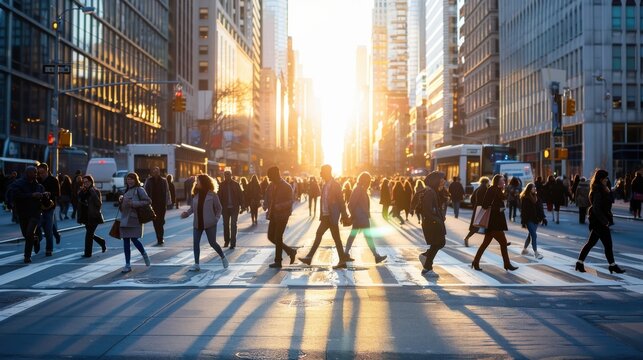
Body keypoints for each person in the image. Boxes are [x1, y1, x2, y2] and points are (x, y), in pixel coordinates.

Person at [298, 164, 351, 268]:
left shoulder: (335, 185)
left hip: (332, 216)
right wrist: (322, 215)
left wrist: (344, 215)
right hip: (326, 216)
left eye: (322, 171)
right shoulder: (325, 185)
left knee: (335, 238)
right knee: (323, 235)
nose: (320, 173)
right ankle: (310, 257)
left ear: (327, 172)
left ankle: (311, 257)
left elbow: (341, 201)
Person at [576, 169, 626, 274]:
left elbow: (608, 201)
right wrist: (604, 221)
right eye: (605, 178)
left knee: (591, 243)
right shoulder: (598, 190)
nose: (607, 180)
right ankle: (612, 266)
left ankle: (579, 263)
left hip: (598, 220)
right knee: (607, 244)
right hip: (599, 221)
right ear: (601, 179)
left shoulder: (602, 188)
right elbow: (596, 208)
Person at [471, 175, 519, 271]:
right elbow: (485, 205)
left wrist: (504, 191)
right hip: (493, 222)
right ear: (497, 181)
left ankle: (475, 262)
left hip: (495, 222)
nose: (504, 182)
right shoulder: (492, 190)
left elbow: (503, 200)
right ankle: (507, 264)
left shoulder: (498, 190)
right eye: (502, 180)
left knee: (485, 244)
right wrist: (499, 209)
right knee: (503, 243)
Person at [181, 174, 228, 271]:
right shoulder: (196, 194)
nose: (196, 182)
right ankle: (196, 264)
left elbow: (219, 208)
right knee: (196, 243)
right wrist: (187, 213)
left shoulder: (212, 194)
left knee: (212, 243)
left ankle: (223, 257)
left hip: (210, 223)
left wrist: (216, 219)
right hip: (198, 223)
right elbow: (192, 209)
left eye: (198, 181)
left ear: (203, 182)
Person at [343, 171, 387, 264]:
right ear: (365, 181)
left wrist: (355, 215)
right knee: (367, 237)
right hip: (361, 217)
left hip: (360, 217)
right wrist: (354, 215)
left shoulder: (359, 189)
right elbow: (351, 204)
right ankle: (376, 256)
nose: (369, 183)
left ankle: (345, 254)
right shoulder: (358, 189)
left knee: (355, 236)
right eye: (368, 181)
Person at [6, 167, 44, 263]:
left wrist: (44, 195)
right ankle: (35, 239)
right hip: (23, 212)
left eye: (36, 172)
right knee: (26, 234)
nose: (36, 174)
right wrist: (31, 195)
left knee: (29, 233)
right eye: (33, 172)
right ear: (27, 173)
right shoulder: (18, 184)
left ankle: (27, 256)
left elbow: (42, 196)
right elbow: (16, 195)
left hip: (35, 213)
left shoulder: (38, 185)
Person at [263, 166, 298, 268]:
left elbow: (291, 201)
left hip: (282, 216)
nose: (269, 178)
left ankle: (278, 261)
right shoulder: (271, 185)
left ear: (275, 175)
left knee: (278, 237)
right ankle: (290, 251)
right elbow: (267, 196)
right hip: (273, 215)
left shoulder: (286, 186)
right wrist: (265, 204)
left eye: (270, 176)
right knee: (271, 236)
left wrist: (279, 206)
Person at [119, 172, 151, 273]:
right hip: (125, 218)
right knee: (125, 241)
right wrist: (121, 201)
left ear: (136, 180)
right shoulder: (126, 190)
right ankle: (127, 264)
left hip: (134, 219)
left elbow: (148, 201)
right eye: (128, 179)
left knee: (134, 239)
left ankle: (144, 254)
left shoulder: (140, 189)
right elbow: (123, 206)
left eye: (132, 179)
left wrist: (134, 203)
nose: (130, 181)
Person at [418, 171, 447, 278]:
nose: (444, 180)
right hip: (432, 222)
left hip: (435, 221)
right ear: (436, 180)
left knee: (439, 243)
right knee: (439, 243)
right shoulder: (429, 192)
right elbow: (427, 210)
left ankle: (426, 257)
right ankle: (427, 268)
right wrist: (437, 219)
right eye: (441, 178)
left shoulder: (434, 191)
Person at [77, 175, 107, 257]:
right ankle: (101, 242)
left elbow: (98, 203)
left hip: (93, 216)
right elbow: (80, 200)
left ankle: (87, 253)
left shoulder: (95, 191)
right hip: (85, 216)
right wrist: (81, 192)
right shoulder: (84, 191)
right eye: (84, 182)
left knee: (89, 235)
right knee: (90, 234)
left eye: (87, 182)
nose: (86, 183)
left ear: (91, 182)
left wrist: (92, 192)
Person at [37, 163, 61, 256]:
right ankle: (57, 235)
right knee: (40, 225)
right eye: (39, 173)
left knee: (48, 228)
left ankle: (49, 249)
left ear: (47, 171)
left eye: (42, 172)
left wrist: (49, 193)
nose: (41, 175)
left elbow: (58, 193)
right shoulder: (37, 180)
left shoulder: (53, 180)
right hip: (39, 206)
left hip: (49, 207)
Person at [144, 167, 169, 246]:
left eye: (157, 171)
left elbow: (167, 192)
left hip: (162, 204)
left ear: (159, 172)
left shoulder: (164, 180)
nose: (155, 172)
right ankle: (159, 238)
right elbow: (145, 191)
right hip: (152, 205)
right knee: (155, 222)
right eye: (154, 171)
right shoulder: (149, 181)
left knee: (160, 221)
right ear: (152, 172)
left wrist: (168, 202)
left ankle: (161, 237)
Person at [520, 183, 545, 259]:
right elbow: (523, 211)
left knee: (530, 235)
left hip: (536, 220)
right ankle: (536, 253)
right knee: (534, 235)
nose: (534, 188)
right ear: (529, 189)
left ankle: (524, 250)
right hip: (529, 220)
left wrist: (543, 218)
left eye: (535, 187)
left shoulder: (537, 198)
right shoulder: (525, 198)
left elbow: (540, 208)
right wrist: (523, 222)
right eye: (533, 187)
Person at [219, 170, 243, 249]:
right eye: (225, 175)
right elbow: (219, 197)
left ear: (231, 175)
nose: (227, 176)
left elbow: (240, 195)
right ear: (224, 176)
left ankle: (233, 242)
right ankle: (226, 241)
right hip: (225, 208)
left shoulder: (236, 184)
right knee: (225, 225)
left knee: (233, 225)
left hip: (234, 208)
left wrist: (243, 206)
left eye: (228, 175)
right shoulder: (221, 185)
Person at [463, 177, 490, 247]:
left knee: (476, 226)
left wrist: (475, 206)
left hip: (477, 208)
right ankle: (467, 238)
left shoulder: (478, 189)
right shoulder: (486, 189)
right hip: (483, 209)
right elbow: (487, 200)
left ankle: (502, 242)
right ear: (486, 182)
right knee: (479, 226)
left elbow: (472, 199)